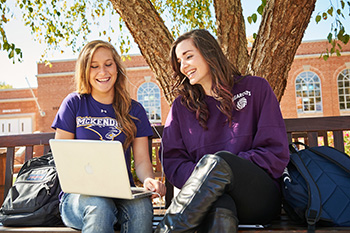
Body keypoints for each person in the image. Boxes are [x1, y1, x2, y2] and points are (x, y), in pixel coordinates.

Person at [155, 29, 289, 233]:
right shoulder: (181, 108)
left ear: (209, 52)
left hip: (257, 195)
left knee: (219, 162)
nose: (184, 66)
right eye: (180, 62)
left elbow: (274, 151)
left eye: (189, 56)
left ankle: (166, 230)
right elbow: (173, 161)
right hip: (207, 201)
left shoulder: (256, 88)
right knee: (220, 208)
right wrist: (209, 180)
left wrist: (225, 169)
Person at [51, 40, 166, 233]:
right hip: (79, 198)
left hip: (122, 194)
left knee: (142, 208)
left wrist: (148, 180)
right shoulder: (74, 103)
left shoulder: (134, 110)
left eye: (108, 64)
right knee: (100, 206)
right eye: (94, 66)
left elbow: (142, 161)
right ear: (85, 71)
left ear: (117, 67)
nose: (102, 72)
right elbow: (63, 158)